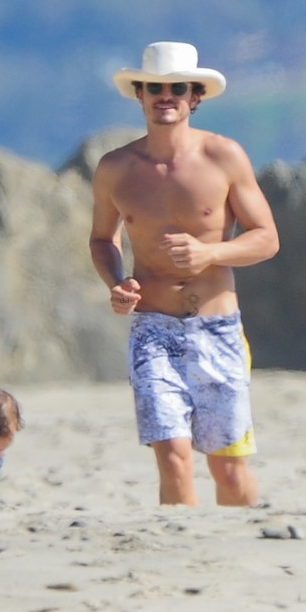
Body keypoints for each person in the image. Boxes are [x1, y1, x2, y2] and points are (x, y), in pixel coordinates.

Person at [90, 41, 279, 506]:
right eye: (155, 88)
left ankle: (242, 542)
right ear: (139, 94)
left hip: (217, 330)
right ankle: (177, 547)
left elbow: (266, 238)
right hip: (152, 331)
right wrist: (117, 283)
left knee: (228, 469)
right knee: (173, 457)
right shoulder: (115, 168)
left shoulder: (223, 156)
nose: (165, 96)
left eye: (177, 88)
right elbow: (102, 238)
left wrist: (209, 253)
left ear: (195, 96)